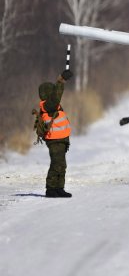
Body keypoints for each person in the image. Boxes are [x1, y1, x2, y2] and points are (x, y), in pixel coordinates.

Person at [38, 69, 74, 198]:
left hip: (61, 139)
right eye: (52, 91)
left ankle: (59, 188)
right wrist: (61, 81)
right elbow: (56, 96)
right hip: (55, 140)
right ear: (48, 93)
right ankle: (51, 189)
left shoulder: (52, 105)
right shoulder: (48, 105)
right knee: (56, 164)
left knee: (61, 164)